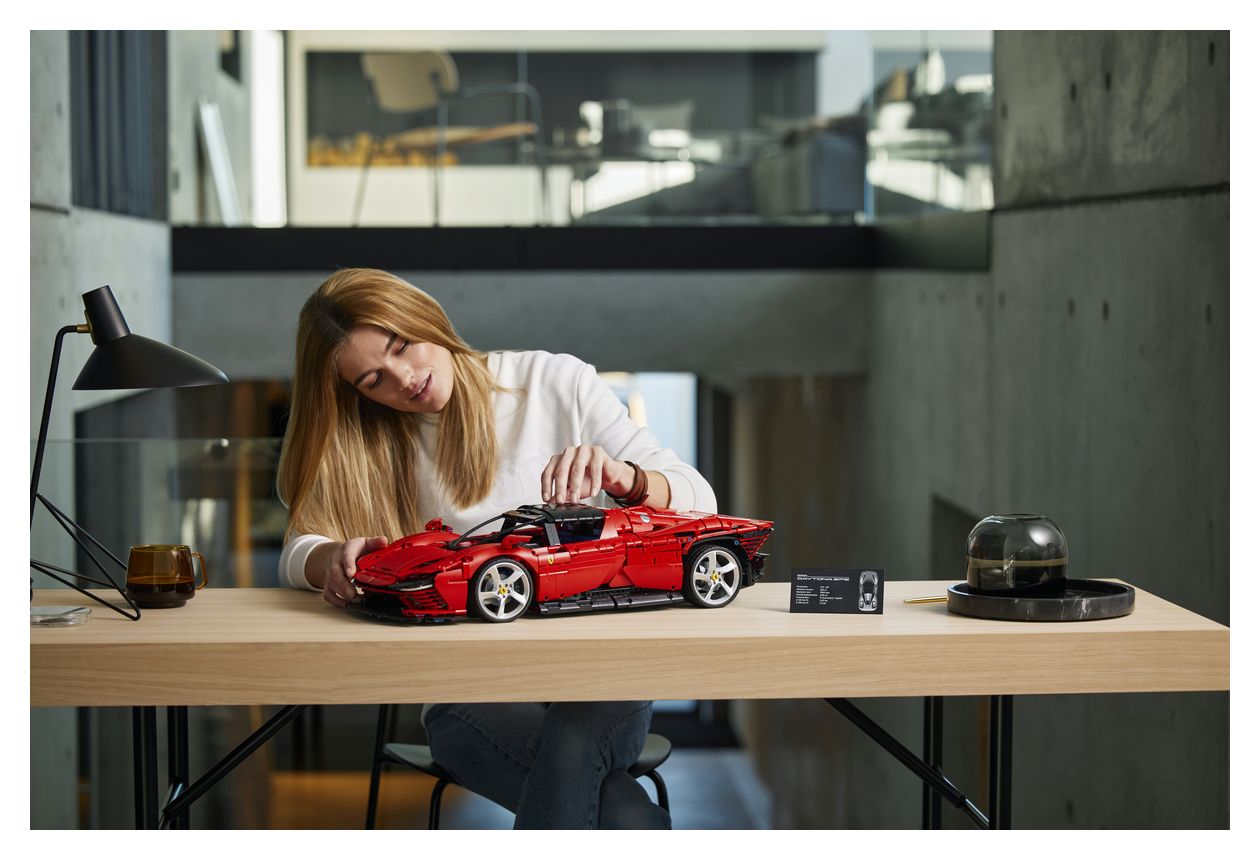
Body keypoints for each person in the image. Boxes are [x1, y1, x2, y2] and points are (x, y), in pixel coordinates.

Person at [276, 268, 717, 829]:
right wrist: (331, 558)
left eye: (402, 346)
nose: (404, 379)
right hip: (467, 689)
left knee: (578, 748)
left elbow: (700, 500)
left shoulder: (552, 382)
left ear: (425, 318)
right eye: (373, 380)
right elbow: (299, 550)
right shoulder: (371, 442)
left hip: (601, 671)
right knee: (617, 806)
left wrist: (626, 478)